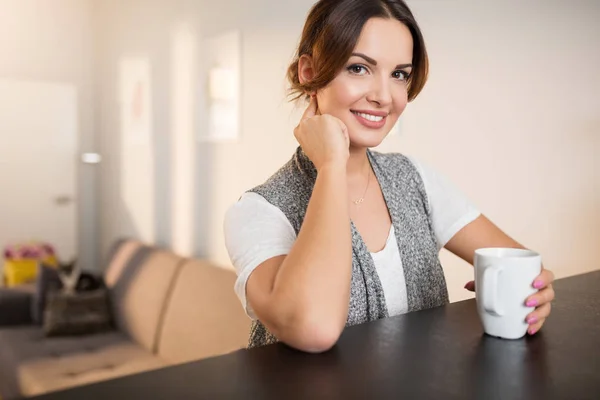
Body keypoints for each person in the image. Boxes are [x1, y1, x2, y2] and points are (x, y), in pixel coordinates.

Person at [224, 0, 555, 353]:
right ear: (308, 72)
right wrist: (332, 165)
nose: (384, 97)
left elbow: (523, 265)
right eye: (358, 68)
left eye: (399, 74)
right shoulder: (256, 212)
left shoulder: (414, 179)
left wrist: (536, 289)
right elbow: (313, 328)